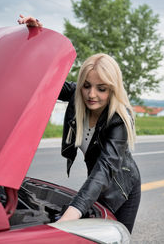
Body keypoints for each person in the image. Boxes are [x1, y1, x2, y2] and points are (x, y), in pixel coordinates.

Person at [18, 15, 141, 233]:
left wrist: (71, 214)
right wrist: (37, 40)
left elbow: (104, 170)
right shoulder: (78, 95)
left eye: (101, 88)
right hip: (94, 183)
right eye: (86, 86)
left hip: (122, 187)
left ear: (113, 89)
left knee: (112, 237)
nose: (91, 95)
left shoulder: (119, 119)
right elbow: (45, 79)